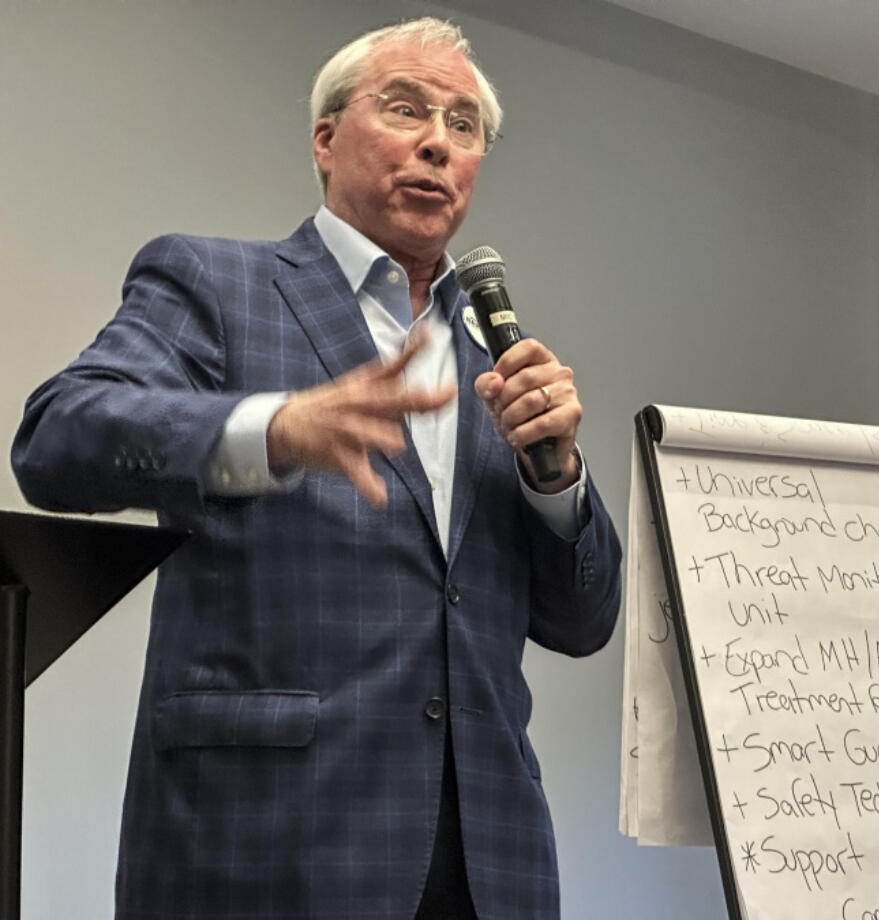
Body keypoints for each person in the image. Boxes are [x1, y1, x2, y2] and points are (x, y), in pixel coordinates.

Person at [11, 18, 621, 920]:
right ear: (326, 139)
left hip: (489, 864)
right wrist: (276, 428)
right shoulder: (218, 286)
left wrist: (556, 478)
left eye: (463, 125)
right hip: (262, 849)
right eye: (406, 108)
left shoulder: (496, 354)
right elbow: (57, 440)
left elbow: (583, 622)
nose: (435, 142)